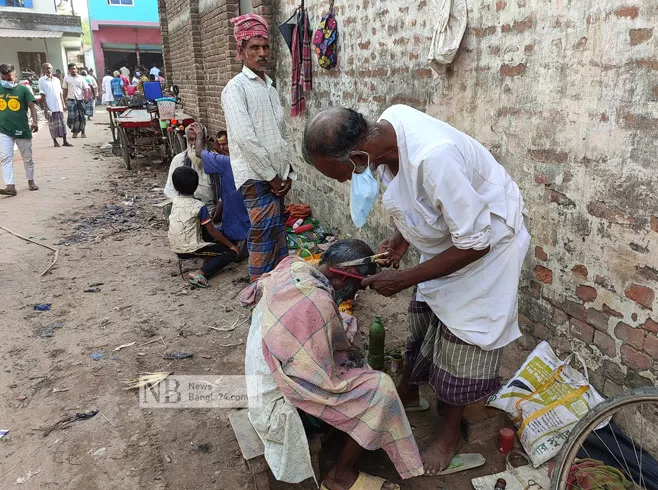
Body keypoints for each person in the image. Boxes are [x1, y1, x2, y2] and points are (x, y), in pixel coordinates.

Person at [303, 105, 531, 475]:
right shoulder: (386, 129)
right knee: (425, 318)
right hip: (450, 240)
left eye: (343, 175)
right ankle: (408, 393)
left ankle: (449, 434)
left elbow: (476, 242)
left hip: (485, 249)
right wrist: (401, 239)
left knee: (462, 335)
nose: (345, 183)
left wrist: (406, 278)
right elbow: (418, 199)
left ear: (359, 155)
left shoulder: (434, 157)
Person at [243, 239, 424, 489]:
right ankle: (340, 476)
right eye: (356, 287)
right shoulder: (317, 304)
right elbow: (319, 380)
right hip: (279, 404)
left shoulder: (294, 266)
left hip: (264, 374)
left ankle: (351, 433)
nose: (355, 293)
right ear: (346, 276)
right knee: (381, 390)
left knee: (349, 330)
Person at [222, 14, 294, 281]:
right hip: (256, 176)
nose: (262, 53)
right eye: (254, 47)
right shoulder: (235, 89)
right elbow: (245, 139)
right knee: (263, 238)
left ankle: (276, 294)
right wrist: (273, 177)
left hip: (275, 177)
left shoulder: (270, 87)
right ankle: (257, 295)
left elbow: (278, 136)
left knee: (277, 236)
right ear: (241, 51)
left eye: (265, 47)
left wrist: (286, 174)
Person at [168, 166, 239, 288]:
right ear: (196, 186)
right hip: (190, 250)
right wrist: (231, 246)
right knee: (230, 253)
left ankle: (208, 258)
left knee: (209, 231)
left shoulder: (174, 201)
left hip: (175, 246)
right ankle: (200, 273)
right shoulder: (199, 205)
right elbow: (212, 231)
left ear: (174, 187)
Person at [191, 124, 250, 260]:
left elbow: (199, 153)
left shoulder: (225, 162)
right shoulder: (239, 160)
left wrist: (200, 135)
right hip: (235, 214)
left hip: (238, 220)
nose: (223, 148)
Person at [164, 124, 219, 218]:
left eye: (198, 139)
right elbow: (170, 191)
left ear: (205, 140)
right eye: (191, 140)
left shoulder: (215, 160)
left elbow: (225, 188)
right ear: (186, 140)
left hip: (211, 210)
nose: (194, 144)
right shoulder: (179, 160)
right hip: (186, 210)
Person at [0, 63, 39, 196]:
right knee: (5, 157)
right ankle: (10, 186)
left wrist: (35, 122)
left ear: (14, 75)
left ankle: (31, 181)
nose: (6, 81)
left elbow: (32, 107)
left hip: (22, 129)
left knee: (27, 157)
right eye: (3, 78)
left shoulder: (23, 90)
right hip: (3, 129)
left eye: (9, 78)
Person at [38, 63, 72, 148]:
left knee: (62, 124)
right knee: (53, 125)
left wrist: (63, 104)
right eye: (46, 68)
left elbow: (60, 93)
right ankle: (55, 141)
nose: (48, 70)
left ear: (52, 69)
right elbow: (42, 95)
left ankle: (65, 141)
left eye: (49, 68)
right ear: (43, 70)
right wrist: (45, 107)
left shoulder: (56, 80)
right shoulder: (41, 80)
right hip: (50, 106)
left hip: (59, 105)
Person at [62, 63, 88, 138]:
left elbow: (85, 88)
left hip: (80, 99)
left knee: (81, 116)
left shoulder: (81, 78)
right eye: (71, 69)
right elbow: (65, 90)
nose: (73, 70)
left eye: (74, 68)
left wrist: (86, 97)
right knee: (72, 117)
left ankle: (83, 132)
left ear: (77, 69)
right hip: (71, 100)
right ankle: (75, 132)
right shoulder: (66, 78)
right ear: (69, 70)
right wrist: (63, 101)